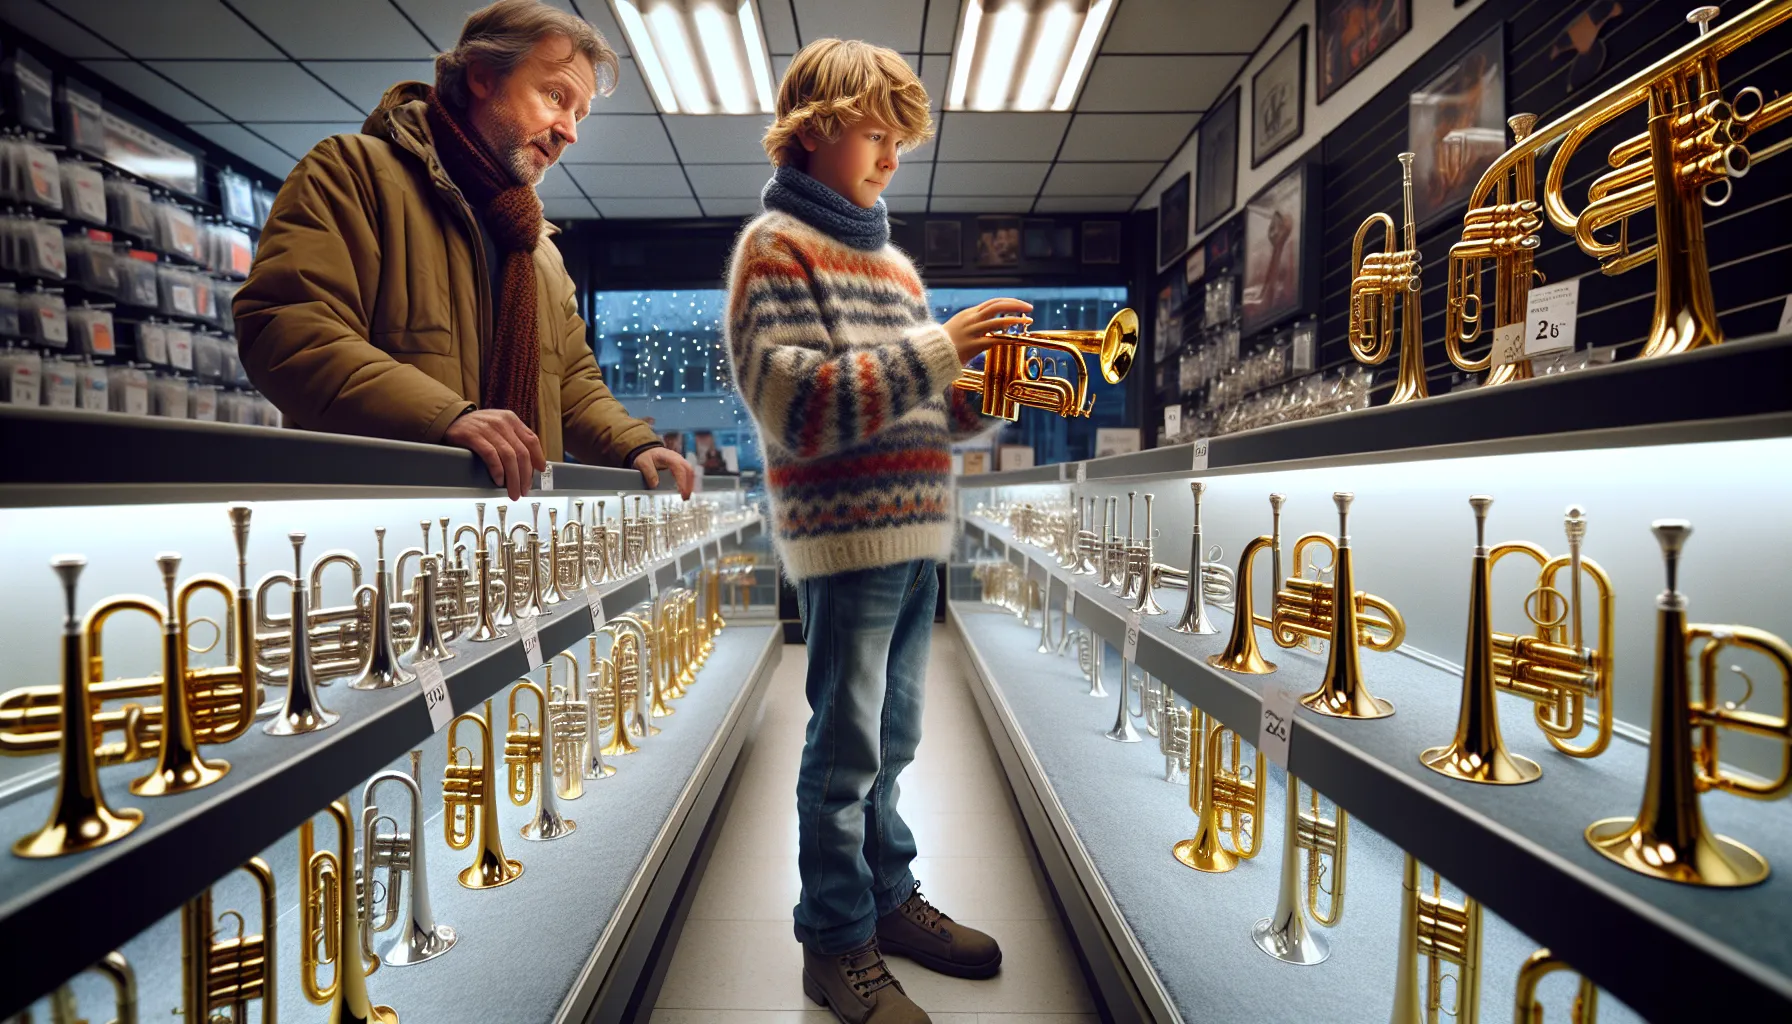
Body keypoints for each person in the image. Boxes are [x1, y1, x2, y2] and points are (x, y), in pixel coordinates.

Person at [724, 38, 1033, 1024]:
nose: (893, 154)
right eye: (876, 132)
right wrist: (943, 350)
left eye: (902, 137)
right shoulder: (772, 248)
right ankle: (835, 939)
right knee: (846, 748)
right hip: (847, 539)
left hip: (915, 535)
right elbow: (800, 406)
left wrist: (984, 396)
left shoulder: (893, 266)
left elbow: (914, 409)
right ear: (813, 129)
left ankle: (885, 896)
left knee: (894, 738)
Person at [234, 0, 691, 501]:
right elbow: (287, 329)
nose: (569, 131)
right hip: (378, 528)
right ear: (481, 77)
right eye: (555, 95)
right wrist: (445, 418)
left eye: (578, 114)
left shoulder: (539, 249)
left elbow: (571, 386)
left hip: (509, 537)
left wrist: (632, 446)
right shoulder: (351, 172)